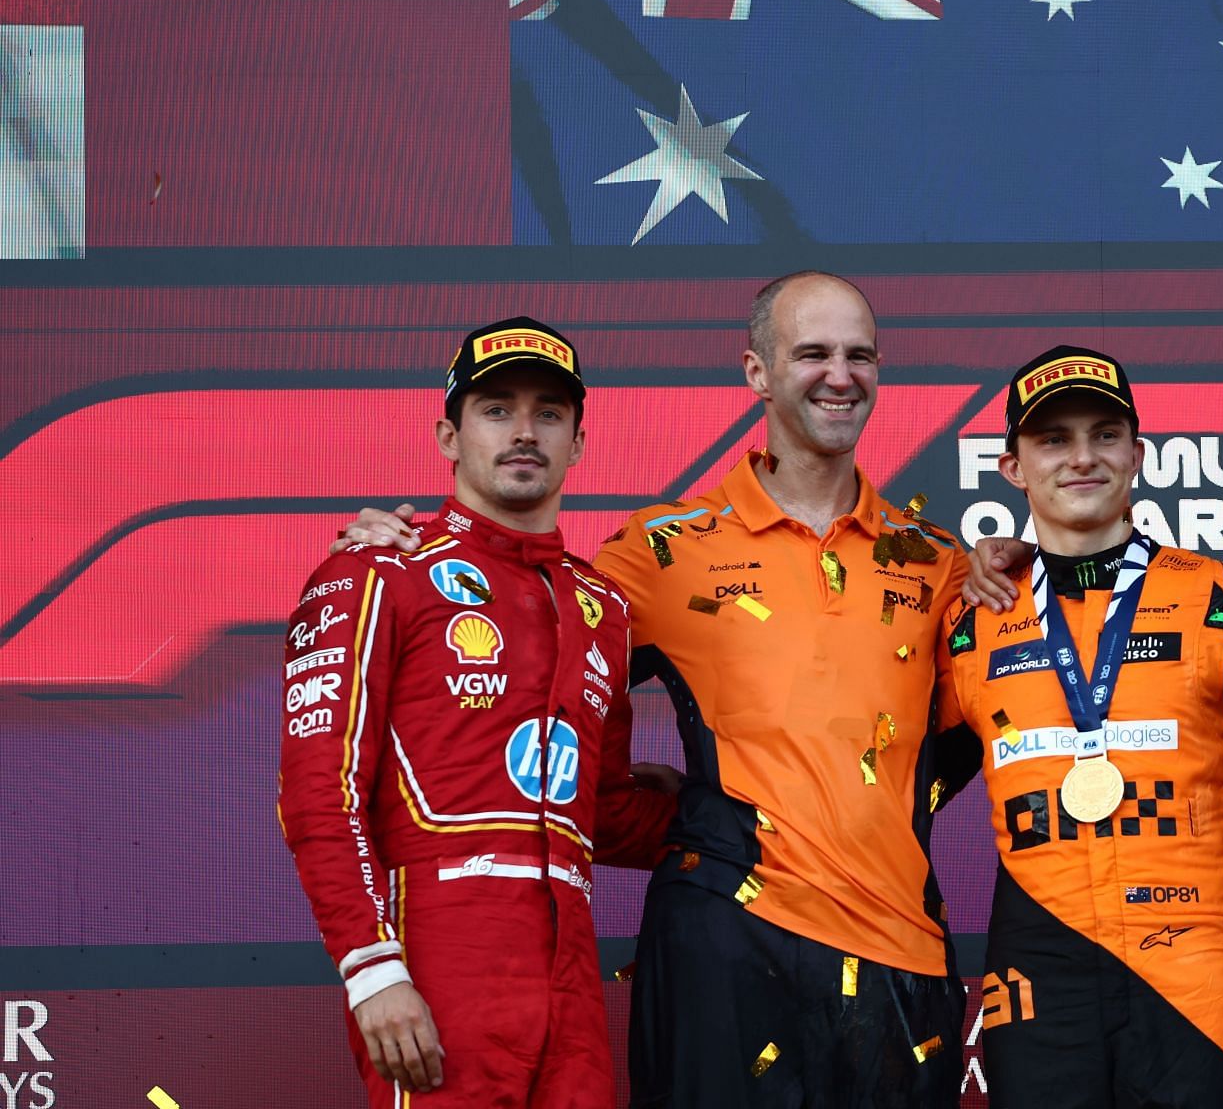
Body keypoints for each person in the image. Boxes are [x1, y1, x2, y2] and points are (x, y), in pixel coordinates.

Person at [335, 274, 969, 1108]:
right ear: (757, 372)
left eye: (859, 355)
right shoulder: (661, 553)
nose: (838, 375)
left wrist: (1021, 571)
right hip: (728, 941)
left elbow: (1008, 717)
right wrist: (403, 545)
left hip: (902, 948)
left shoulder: (939, 561)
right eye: (812, 353)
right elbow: (517, 660)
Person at [280, 316, 676, 1107]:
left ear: (579, 443)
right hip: (438, 952)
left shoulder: (603, 605)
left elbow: (601, 811)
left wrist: (745, 817)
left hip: (570, 970)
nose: (525, 432)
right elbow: (319, 792)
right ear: (449, 436)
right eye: (497, 409)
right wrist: (372, 970)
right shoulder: (378, 570)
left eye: (549, 413)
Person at [933, 346, 1223, 1106]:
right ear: (1012, 467)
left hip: (1194, 972)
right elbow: (888, 801)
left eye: (1104, 435)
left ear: (1138, 454)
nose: (1082, 458)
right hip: (1039, 976)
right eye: (1053, 439)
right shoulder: (971, 623)